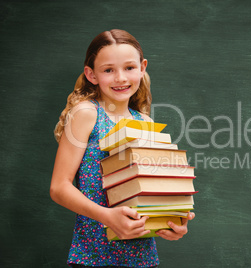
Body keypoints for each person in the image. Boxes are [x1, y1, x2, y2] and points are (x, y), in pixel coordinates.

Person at [50, 29, 195, 267]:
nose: (120, 78)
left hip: (142, 258)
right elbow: (59, 187)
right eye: (108, 70)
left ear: (142, 67)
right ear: (91, 74)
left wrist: (173, 219)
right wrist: (107, 216)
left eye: (129, 67)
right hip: (93, 256)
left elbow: (150, 192)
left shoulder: (145, 123)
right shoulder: (86, 113)